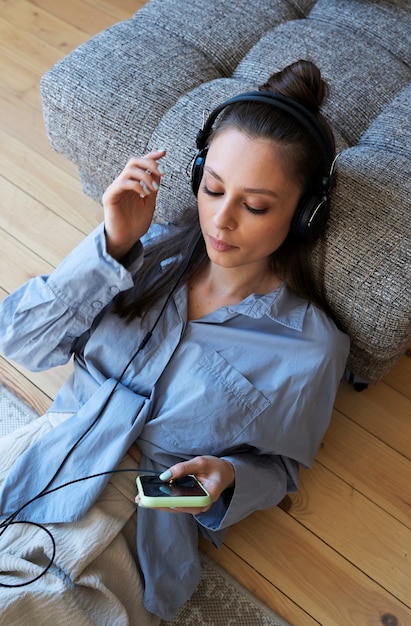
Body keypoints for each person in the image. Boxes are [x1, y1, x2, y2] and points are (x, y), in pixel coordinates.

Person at [0, 60, 350, 624]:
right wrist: (113, 244)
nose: (221, 219)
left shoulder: (310, 348)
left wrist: (229, 477)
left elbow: (281, 467)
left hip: (131, 515)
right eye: (212, 188)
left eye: (255, 205)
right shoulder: (147, 251)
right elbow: (21, 340)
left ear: (306, 215)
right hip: (41, 451)